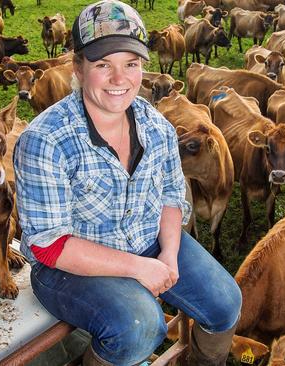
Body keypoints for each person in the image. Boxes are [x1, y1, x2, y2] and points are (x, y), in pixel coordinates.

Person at [13, 1, 242, 365]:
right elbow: (48, 246)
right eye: (103, 65)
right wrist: (138, 268)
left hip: (148, 238)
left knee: (226, 304)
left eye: (131, 65)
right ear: (78, 67)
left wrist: (167, 253)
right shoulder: (45, 141)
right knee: (139, 327)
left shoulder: (156, 125)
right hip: (71, 266)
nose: (120, 80)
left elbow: (171, 194)